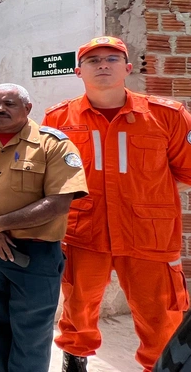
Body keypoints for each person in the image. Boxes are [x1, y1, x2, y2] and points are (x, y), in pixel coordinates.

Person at [42, 36, 191, 372]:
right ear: (79, 71)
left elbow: (187, 169)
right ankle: (75, 360)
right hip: (85, 232)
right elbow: (50, 178)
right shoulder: (59, 118)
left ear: (127, 68)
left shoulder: (167, 116)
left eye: (111, 59)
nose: (103, 65)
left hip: (149, 235)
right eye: (94, 61)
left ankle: (162, 366)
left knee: (161, 315)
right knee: (77, 308)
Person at [0, 83, 88, 372]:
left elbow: (59, 202)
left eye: (9, 103)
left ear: (27, 108)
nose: (0, 109)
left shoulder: (54, 144)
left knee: (31, 334)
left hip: (33, 256)